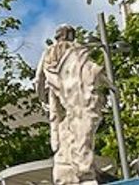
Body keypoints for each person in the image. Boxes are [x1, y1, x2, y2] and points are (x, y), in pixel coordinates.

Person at [35, 24, 107, 185]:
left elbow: (38, 79)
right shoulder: (77, 50)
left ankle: (76, 168)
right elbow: (90, 71)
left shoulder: (49, 52)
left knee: (66, 128)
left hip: (59, 95)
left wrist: (43, 98)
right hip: (77, 96)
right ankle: (80, 168)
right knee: (78, 127)